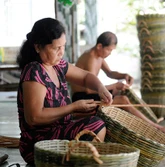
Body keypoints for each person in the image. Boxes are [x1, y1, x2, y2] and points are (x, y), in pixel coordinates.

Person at [16, 18, 113, 164]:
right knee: (95, 125)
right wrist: (73, 107)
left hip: (59, 131)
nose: (61, 53)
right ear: (38, 47)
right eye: (56, 48)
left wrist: (100, 88)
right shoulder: (34, 71)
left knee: (103, 119)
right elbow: (34, 117)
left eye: (63, 46)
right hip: (38, 143)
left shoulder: (57, 65)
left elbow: (86, 76)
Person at [70, 31, 165, 138]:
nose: (109, 53)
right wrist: (115, 85)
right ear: (99, 46)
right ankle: (156, 128)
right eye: (109, 50)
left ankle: (147, 123)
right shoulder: (91, 58)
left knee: (122, 91)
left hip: (92, 94)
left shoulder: (98, 55)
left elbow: (110, 73)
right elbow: (89, 90)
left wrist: (124, 76)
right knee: (123, 100)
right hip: (83, 98)